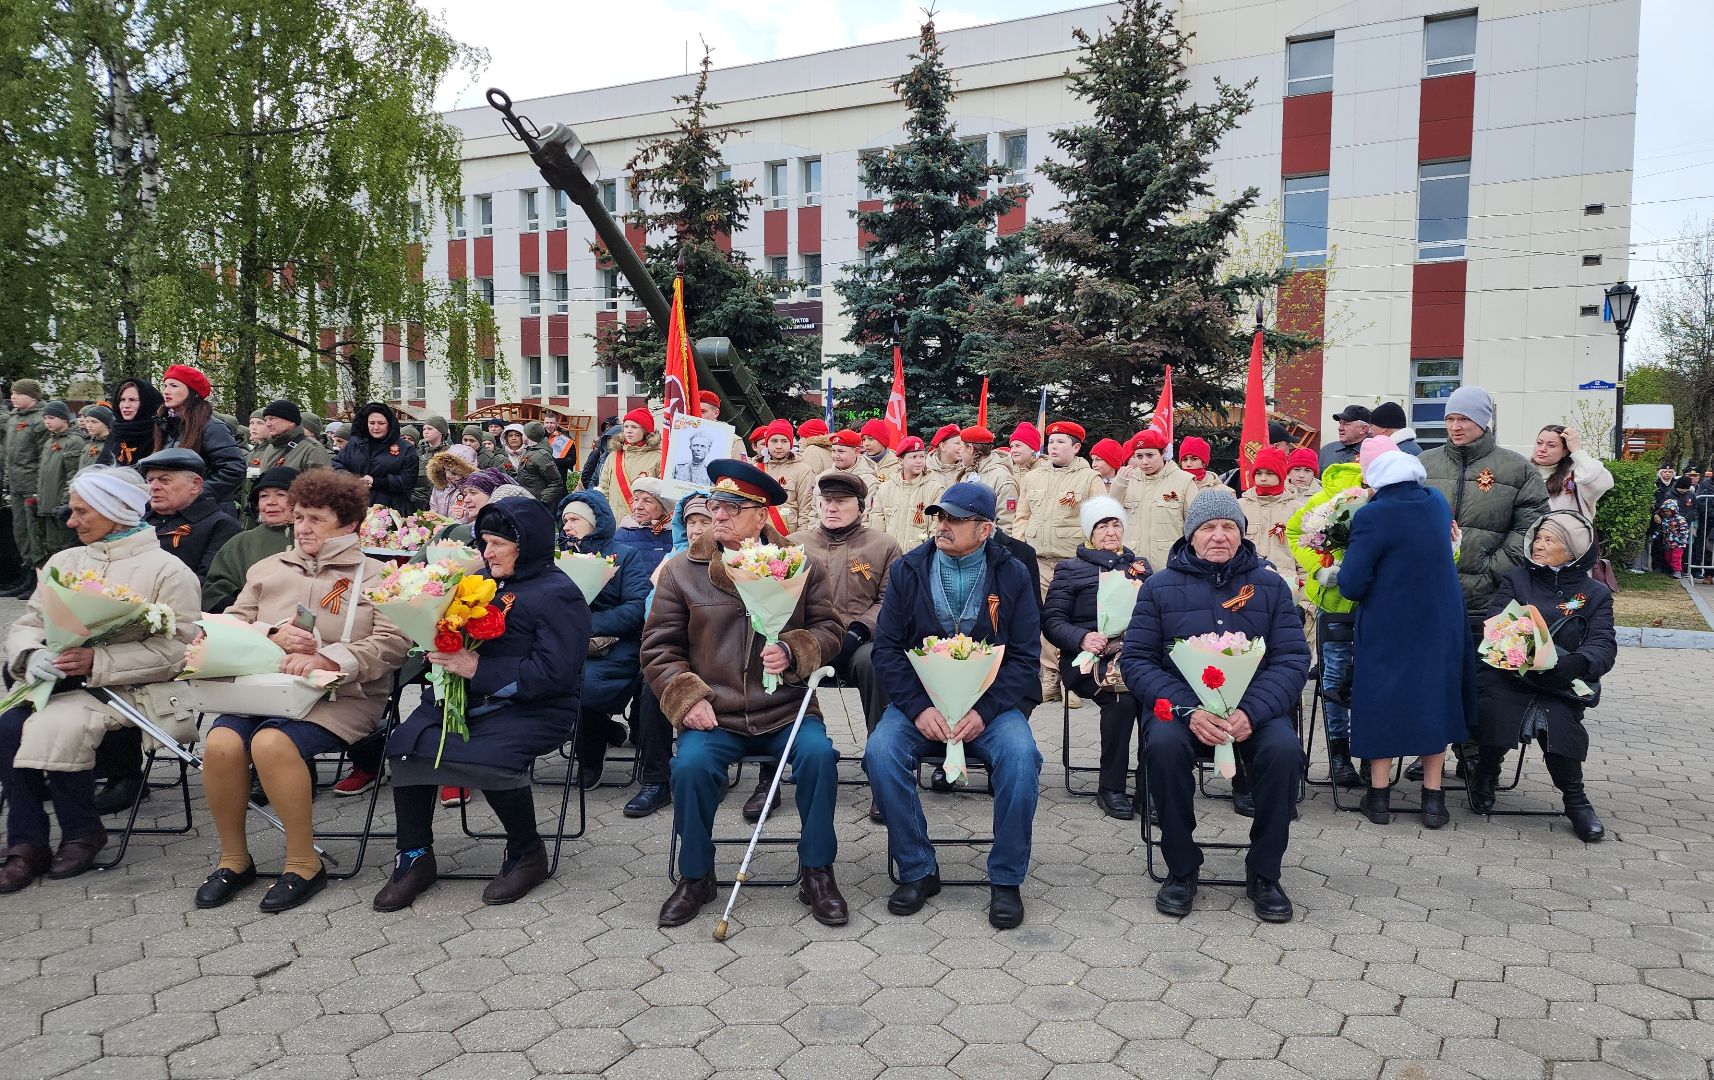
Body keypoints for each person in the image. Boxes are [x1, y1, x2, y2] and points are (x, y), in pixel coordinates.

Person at [192, 470, 410, 913]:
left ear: (348, 525)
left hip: (342, 697)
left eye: (316, 519)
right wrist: (271, 632)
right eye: (298, 518)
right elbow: (230, 624)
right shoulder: (267, 570)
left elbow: (394, 643)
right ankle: (234, 859)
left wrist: (330, 660)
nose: (302, 528)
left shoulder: (377, 575)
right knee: (219, 742)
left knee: (272, 744)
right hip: (265, 689)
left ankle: (303, 863)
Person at [644, 460, 847, 929]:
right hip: (716, 712)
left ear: (762, 516)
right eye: (715, 505)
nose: (720, 515)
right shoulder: (681, 570)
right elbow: (658, 648)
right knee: (690, 766)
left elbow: (831, 629)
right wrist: (687, 698)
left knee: (820, 757)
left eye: (734, 507)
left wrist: (796, 651)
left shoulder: (799, 565)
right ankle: (696, 875)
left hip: (787, 709)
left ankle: (817, 870)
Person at [375, 497, 590, 910]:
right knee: (405, 747)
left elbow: (556, 673)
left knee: (488, 759)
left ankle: (527, 852)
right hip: (465, 698)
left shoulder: (558, 593)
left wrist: (476, 668)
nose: (487, 553)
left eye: (497, 544)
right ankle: (414, 856)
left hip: (535, 706)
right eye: (484, 543)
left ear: (526, 545)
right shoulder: (479, 581)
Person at [0, 466, 201, 892]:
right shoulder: (64, 561)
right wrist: (31, 653)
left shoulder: (167, 570)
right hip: (57, 682)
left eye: (80, 512)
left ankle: (81, 831)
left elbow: (178, 651)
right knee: (7, 727)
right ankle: (26, 843)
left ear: (116, 511)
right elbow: (31, 621)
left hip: (129, 691)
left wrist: (97, 660)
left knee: (61, 725)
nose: (71, 522)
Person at [1121, 489, 1310, 923]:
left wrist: (1253, 711)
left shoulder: (1268, 586)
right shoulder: (1159, 587)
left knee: (1284, 753)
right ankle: (1181, 868)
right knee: (1163, 748)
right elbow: (1137, 660)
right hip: (1183, 711)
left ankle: (1264, 871)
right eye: (1208, 527)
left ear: (1242, 534)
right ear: (1191, 535)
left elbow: (1293, 658)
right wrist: (1191, 710)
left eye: (1229, 527)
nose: (1219, 536)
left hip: (1253, 712)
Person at [868, 481, 1043, 929]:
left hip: (991, 707)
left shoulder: (1014, 573)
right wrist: (917, 708)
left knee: (1022, 758)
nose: (942, 526)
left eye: (955, 519)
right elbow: (885, 650)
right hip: (921, 703)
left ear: (984, 530)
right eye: (939, 517)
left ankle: (1005, 878)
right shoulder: (909, 569)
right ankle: (917, 869)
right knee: (880, 754)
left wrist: (983, 712)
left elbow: (1025, 658)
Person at [1334, 440, 1471, 829]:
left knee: (1383, 696)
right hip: (1441, 618)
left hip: (1390, 621)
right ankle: (1433, 800)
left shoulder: (1373, 515)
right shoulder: (1436, 503)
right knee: (1434, 696)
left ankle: (1378, 798)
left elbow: (1353, 584)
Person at [1470, 511, 1615, 840]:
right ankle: (1486, 773)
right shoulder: (1517, 578)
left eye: (1550, 540)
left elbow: (1603, 643)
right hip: (1511, 673)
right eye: (1538, 537)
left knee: (1557, 724)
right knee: (1495, 709)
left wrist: (1576, 663)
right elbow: (1496, 621)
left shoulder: (1594, 593)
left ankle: (1576, 802)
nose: (1539, 544)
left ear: (1572, 549)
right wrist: (1530, 655)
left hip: (1560, 682)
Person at [787, 472, 902, 821]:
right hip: (806, 640)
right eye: (826, 501)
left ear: (861, 508)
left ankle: (882, 771)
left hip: (859, 642)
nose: (832, 508)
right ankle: (771, 774)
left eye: (841, 502)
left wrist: (857, 632)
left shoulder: (883, 545)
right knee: (773, 663)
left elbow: (891, 602)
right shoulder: (794, 542)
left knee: (877, 663)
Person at [1042, 495, 1151, 819]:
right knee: (1124, 701)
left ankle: (1150, 790)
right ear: (1090, 531)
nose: (1110, 531)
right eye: (1102, 525)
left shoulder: (1140, 568)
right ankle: (1112, 787)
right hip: (1087, 661)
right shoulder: (1071, 569)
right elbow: (1052, 620)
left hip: (1133, 655)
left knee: (1156, 700)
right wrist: (1082, 637)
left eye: (1115, 523)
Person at [1421, 386, 1550, 618]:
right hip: (1429, 591)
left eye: (1464, 419)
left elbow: (1530, 527)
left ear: (1482, 420)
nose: (1455, 427)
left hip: (1488, 598)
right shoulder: (1424, 463)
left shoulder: (1517, 469)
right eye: (1449, 419)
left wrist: (1492, 569)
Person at [557, 490, 650, 790]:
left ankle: (589, 759)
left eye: (574, 519)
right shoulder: (556, 557)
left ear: (595, 522)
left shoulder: (624, 555)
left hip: (614, 643)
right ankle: (603, 730)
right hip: (565, 642)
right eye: (564, 520)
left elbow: (637, 607)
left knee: (588, 683)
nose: (567, 526)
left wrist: (588, 625)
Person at [1285, 461, 1364, 789]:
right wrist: (1321, 565)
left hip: (1374, 603)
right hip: (1333, 602)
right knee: (1333, 679)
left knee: (1368, 681)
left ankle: (1372, 754)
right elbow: (1294, 532)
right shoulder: (1323, 500)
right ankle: (1338, 755)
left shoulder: (1379, 496)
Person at [1015, 420, 1105, 706]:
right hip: (1039, 560)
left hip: (1072, 564)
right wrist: (1022, 544)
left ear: (1077, 448)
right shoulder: (1034, 478)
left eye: (1061, 442)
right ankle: (1050, 678)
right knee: (1044, 620)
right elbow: (1022, 516)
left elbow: (1099, 520)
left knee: (1069, 622)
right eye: (1051, 442)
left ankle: (1071, 682)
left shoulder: (1089, 479)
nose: (1053, 446)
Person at [203, 466, 298, 613]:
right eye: (263, 496)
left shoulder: (312, 540)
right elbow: (214, 590)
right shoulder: (241, 542)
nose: (270, 502)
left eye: (280, 494)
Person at [138, 449, 243, 580]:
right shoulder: (138, 520)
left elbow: (209, 582)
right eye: (149, 480)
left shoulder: (221, 526)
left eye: (164, 480)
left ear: (195, 484)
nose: (153, 487)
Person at [152, 364, 246, 506]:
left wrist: (194, 493)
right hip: (173, 509)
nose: (166, 391)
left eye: (174, 386)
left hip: (207, 512)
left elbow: (234, 469)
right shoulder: (165, 425)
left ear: (193, 392)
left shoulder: (212, 427)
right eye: (165, 386)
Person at [1111, 429, 1198, 575]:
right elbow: (1109, 518)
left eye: (1150, 455)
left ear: (1163, 453)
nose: (1144, 461)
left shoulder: (1184, 481)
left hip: (1170, 566)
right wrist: (1118, 485)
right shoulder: (1126, 481)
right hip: (1130, 565)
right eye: (1139, 456)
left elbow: (1196, 525)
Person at [331, 402, 418, 517]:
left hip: (391, 511)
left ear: (389, 424)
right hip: (356, 507)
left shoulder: (405, 449)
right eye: (372, 423)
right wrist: (354, 479)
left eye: (381, 423)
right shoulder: (355, 444)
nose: (376, 427)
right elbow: (336, 465)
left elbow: (407, 481)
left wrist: (376, 482)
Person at [4, 379, 49, 593]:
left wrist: (39, 487)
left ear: (32, 396)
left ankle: (37, 580)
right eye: (12, 393)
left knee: (35, 534)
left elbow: (44, 457)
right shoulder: (14, 418)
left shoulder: (40, 420)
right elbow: (9, 455)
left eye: (18, 393)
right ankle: (25, 577)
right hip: (15, 484)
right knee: (20, 532)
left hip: (32, 485)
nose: (13, 396)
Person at [1237, 447, 1305, 588]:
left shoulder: (1296, 508)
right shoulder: (1241, 505)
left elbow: (1304, 556)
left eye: (1269, 473)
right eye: (1259, 473)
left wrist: (1304, 601)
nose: (1263, 478)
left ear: (1281, 475)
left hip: (1286, 582)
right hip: (1245, 581)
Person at [870, 435, 946, 552]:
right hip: (890, 554)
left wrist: (928, 550)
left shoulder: (935, 489)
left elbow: (938, 523)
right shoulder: (885, 488)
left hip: (919, 555)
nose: (919, 461)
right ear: (901, 461)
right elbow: (877, 521)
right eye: (913, 457)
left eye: (922, 456)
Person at [35, 402, 86, 558]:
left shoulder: (74, 441)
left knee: (66, 548)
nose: (47, 422)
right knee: (51, 547)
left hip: (62, 506)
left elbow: (73, 475)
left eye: (51, 417)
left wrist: (65, 502)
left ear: (64, 419)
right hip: (48, 505)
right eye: (45, 418)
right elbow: (44, 474)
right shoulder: (49, 442)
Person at [1532, 425, 1612, 519]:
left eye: (1551, 445)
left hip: (1565, 532)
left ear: (1565, 451)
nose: (1542, 449)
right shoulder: (1522, 472)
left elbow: (1602, 483)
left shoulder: (1577, 474)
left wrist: (1577, 451)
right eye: (1539, 443)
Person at [597, 408, 662, 521]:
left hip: (643, 524)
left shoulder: (658, 458)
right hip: (614, 522)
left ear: (645, 430)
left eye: (634, 427)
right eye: (626, 426)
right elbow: (604, 489)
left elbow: (661, 496)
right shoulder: (613, 456)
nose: (629, 431)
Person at [759, 419, 818, 531]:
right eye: (774, 441)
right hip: (759, 532)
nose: (779, 446)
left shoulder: (804, 471)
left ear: (791, 443)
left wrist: (800, 539)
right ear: (767, 442)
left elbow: (806, 511)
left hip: (788, 534)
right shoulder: (756, 468)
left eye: (784, 441)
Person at [959, 426, 1018, 531]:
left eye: (961, 448)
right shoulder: (966, 475)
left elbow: (1007, 525)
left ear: (970, 448)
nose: (959, 452)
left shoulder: (1002, 478)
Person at [614, 476, 675, 577]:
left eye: (647, 501)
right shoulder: (622, 535)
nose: (638, 506)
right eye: (636, 500)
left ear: (662, 506)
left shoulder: (676, 535)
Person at [254, 400, 332, 477]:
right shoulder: (271, 447)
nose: (267, 424)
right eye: (266, 419)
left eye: (272, 418)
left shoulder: (312, 449)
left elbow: (321, 486)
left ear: (291, 422)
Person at [105, 378, 164, 470]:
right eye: (122, 399)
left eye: (132, 400)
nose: (126, 405)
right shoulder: (116, 433)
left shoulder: (159, 433)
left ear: (146, 403)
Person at [427, 444, 479, 518]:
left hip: (460, 528)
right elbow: (433, 506)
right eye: (447, 470)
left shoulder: (472, 491)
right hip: (440, 527)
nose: (449, 475)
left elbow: (475, 515)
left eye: (455, 472)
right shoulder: (440, 486)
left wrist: (464, 515)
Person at [1319, 405, 1372, 471]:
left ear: (1363, 429)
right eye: (1340, 423)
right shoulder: (1326, 451)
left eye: (1346, 424)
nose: (1340, 428)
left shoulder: (1375, 453)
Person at [75, 405, 116, 472]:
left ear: (106, 424)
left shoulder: (112, 446)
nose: (89, 425)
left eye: (94, 422)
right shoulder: (88, 444)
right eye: (87, 421)